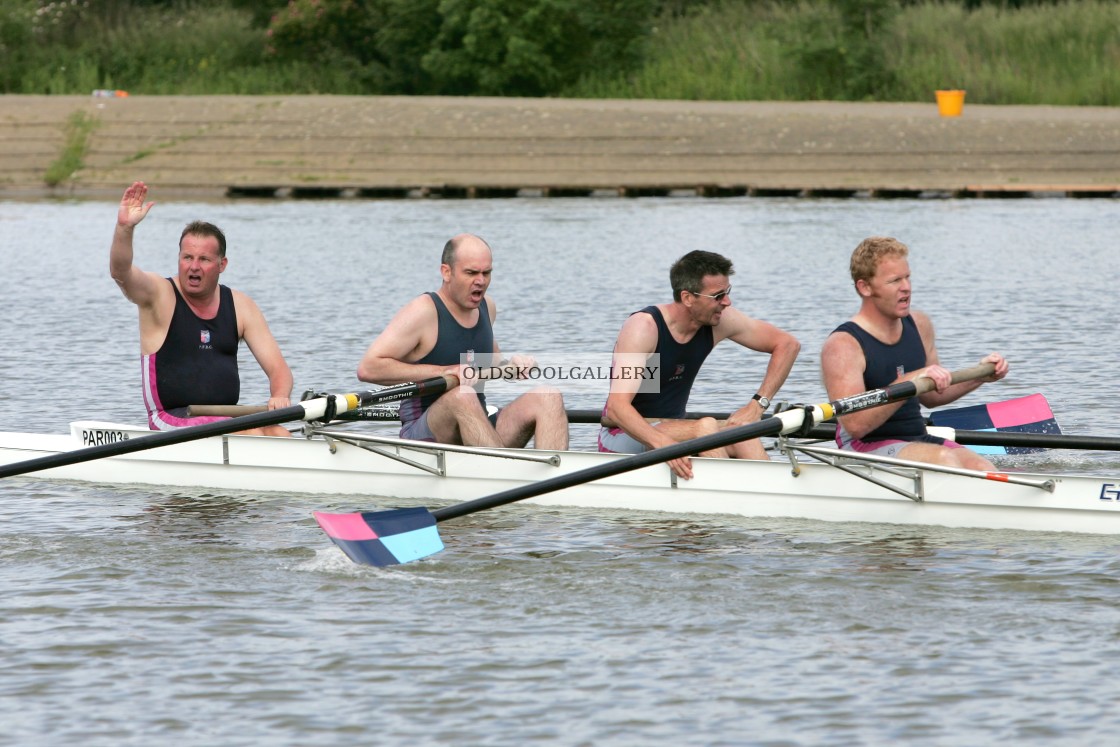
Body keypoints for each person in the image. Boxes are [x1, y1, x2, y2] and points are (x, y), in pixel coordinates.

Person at [109, 181, 293, 436]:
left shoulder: (241, 306)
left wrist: (280, 397)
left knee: (278, 433)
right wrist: (124, 228)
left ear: (222, 264)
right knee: (247, 434)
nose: (193, 266)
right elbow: (121, 273)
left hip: (225, 419)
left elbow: (278, 369)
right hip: (170, 419)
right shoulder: (159, 295)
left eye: (204, 259)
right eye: (187, 257)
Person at [599, 250, 801, 479]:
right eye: (718, 296)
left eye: (727, 292)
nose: (727, 302)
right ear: (687, 298)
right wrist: (664, 444)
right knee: (705, 427)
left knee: (742, 430)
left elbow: (787, 345)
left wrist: (757, 406)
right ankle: (734, 495)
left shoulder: (718, 322)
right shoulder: (644, 328)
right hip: (624, 435)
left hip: (676, 429)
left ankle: (773, 490)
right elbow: (617, 407)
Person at [357, 233, 568, 449]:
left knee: (549, 396)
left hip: (479, 427)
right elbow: (369, 368)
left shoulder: (488, 308)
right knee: (463, 395)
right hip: (425, 435)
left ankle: (558, 479)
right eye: (471, 273)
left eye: (486, 273)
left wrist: (516, 364)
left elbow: (493, 365)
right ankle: (500, 472)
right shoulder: (423, 312)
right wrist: (446, 371)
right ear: (446, 272)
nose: (481, 281)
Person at [819, 236, 1009, 469]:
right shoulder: (843, 345)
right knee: (943, 461)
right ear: (865, 287)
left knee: (983, 468)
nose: (906, 287)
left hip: (917, 438)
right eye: (895, 280)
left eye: (907, 277)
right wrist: (908, 380)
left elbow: (932, 396)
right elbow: (855, 425)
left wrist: (980, 376)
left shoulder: (920, 325)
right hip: (863, 446)